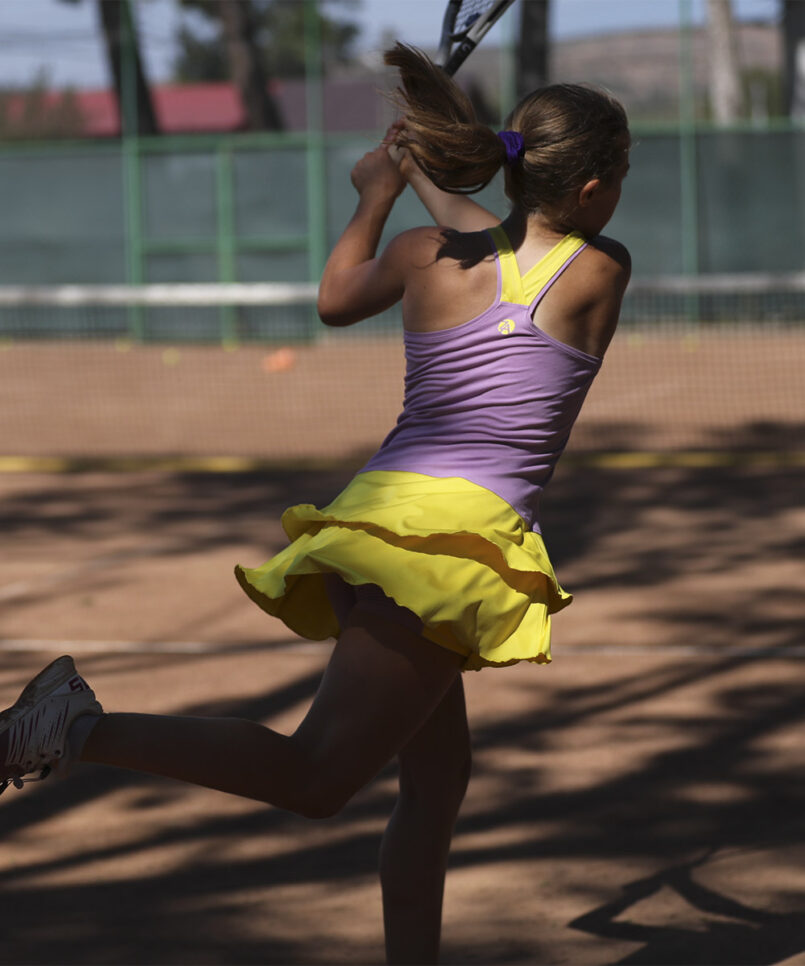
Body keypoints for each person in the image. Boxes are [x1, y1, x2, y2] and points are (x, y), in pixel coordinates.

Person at [0, 45, 630, 965]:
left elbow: (339, 296)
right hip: (447, 552)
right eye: (619, 179)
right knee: (316, 777)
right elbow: (511, 240)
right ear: (592, 190)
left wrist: (382, 191)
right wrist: (415, 176)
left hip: (373, 524)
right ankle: (72, 725)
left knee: (436, 783)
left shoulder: (421, 256)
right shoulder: (600, 270)